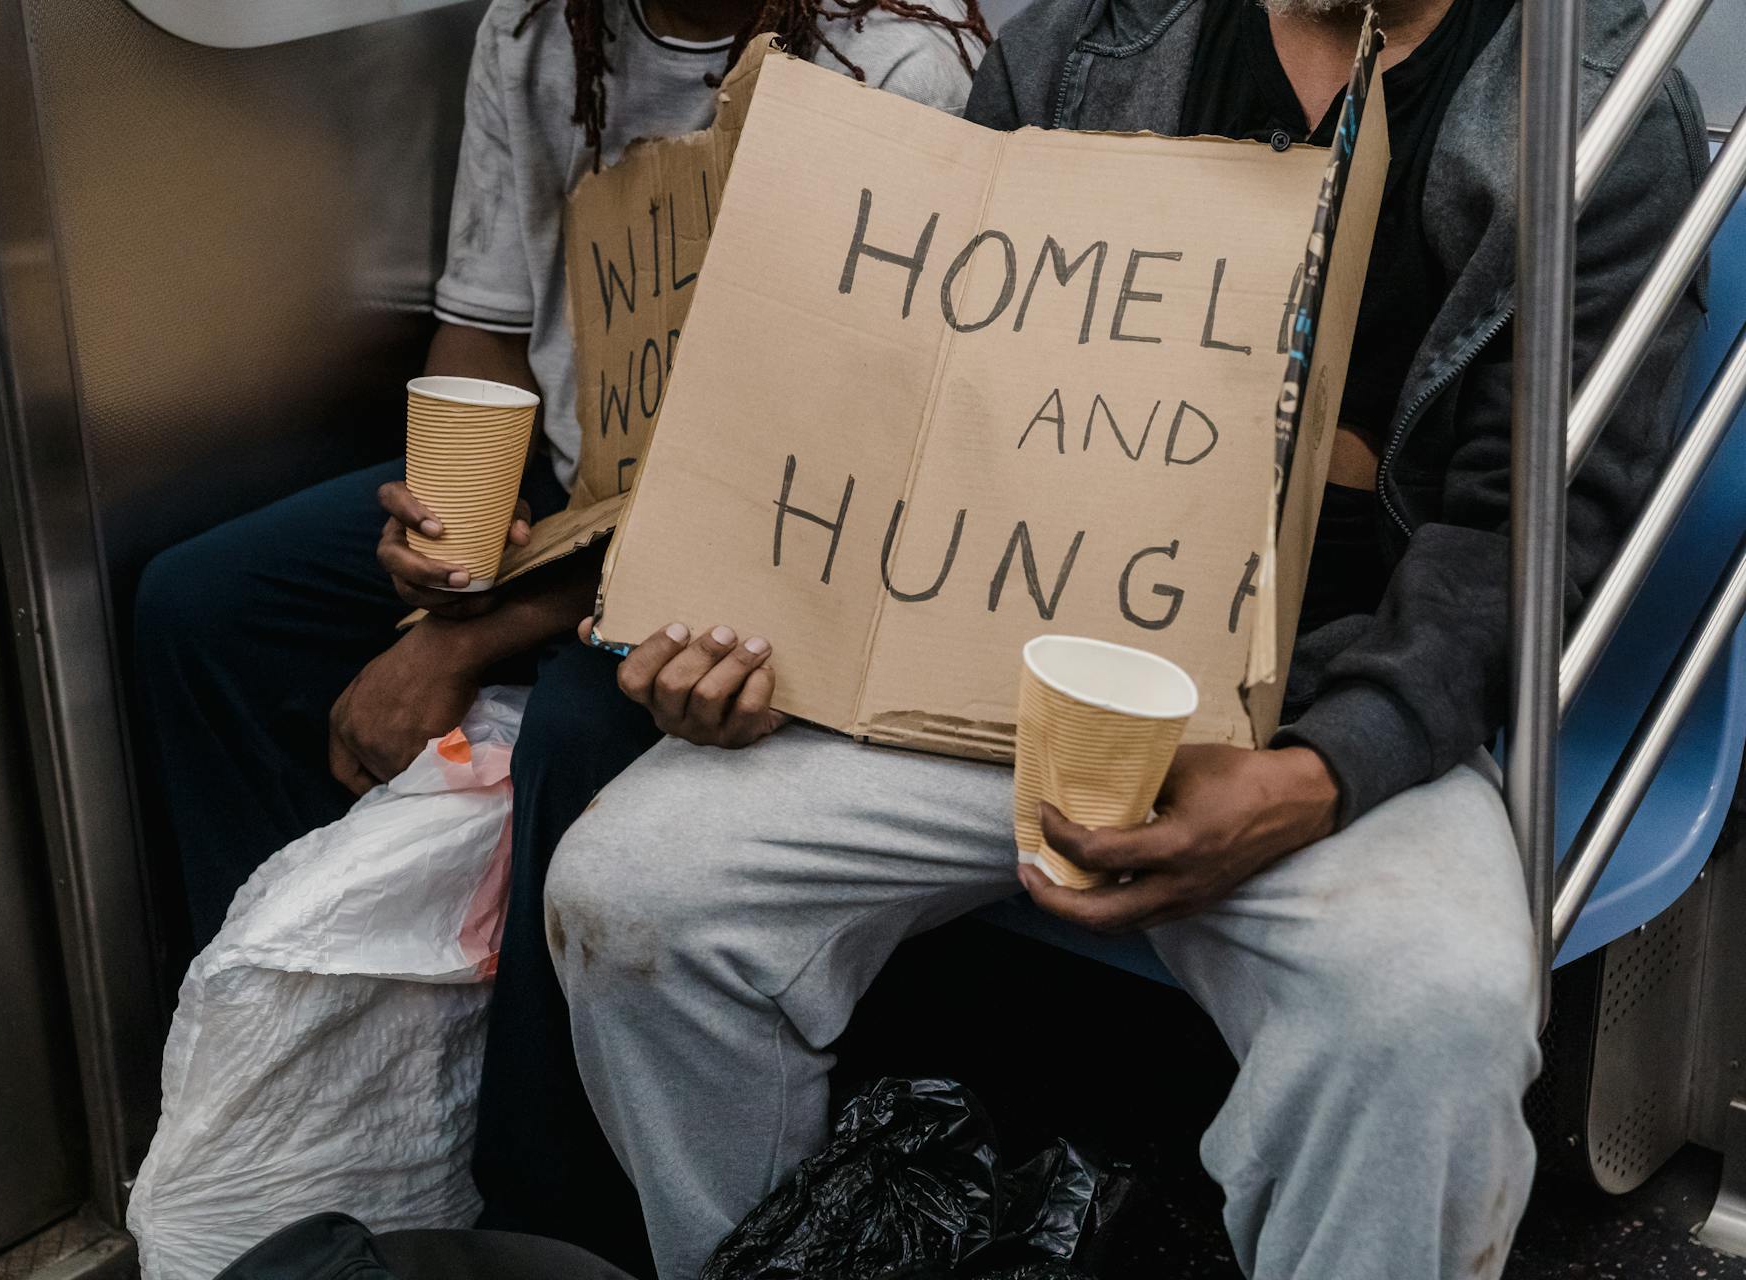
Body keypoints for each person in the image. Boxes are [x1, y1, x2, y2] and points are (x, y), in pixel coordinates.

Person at [537, 0, 1713, 1275]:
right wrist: (776, 639)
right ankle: (775, 1257)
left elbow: (1531, 537)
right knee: (636, 892)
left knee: (1433, 1014)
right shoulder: (1087, 43)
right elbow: (906, 406)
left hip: (1328, 694)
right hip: (1002, 641)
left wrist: (1318, 772)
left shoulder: (1594, 106)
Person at [132, 0, 987, 1271]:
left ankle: (544, 1210)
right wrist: (444, 530)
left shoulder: (893, 59)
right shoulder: (542, 31)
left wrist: (464, 640)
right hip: (579, 490)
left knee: (587, 725)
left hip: (782, 526)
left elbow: (830, 463)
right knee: (206, 608)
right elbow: (487, 322)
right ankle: (316, 1082)